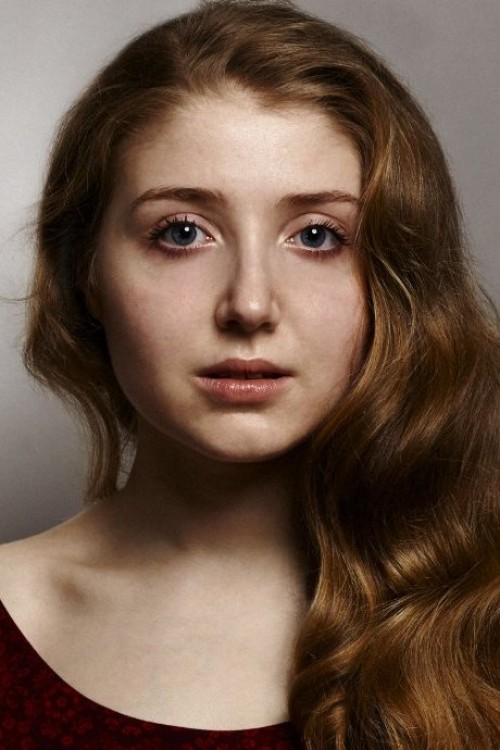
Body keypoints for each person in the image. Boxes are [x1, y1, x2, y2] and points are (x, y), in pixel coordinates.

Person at [0, 0, 498, 747]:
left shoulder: (478, 616)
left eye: (317, 236)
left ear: (394, 280)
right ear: (87, 271)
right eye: (182, 232)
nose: (251, 304)